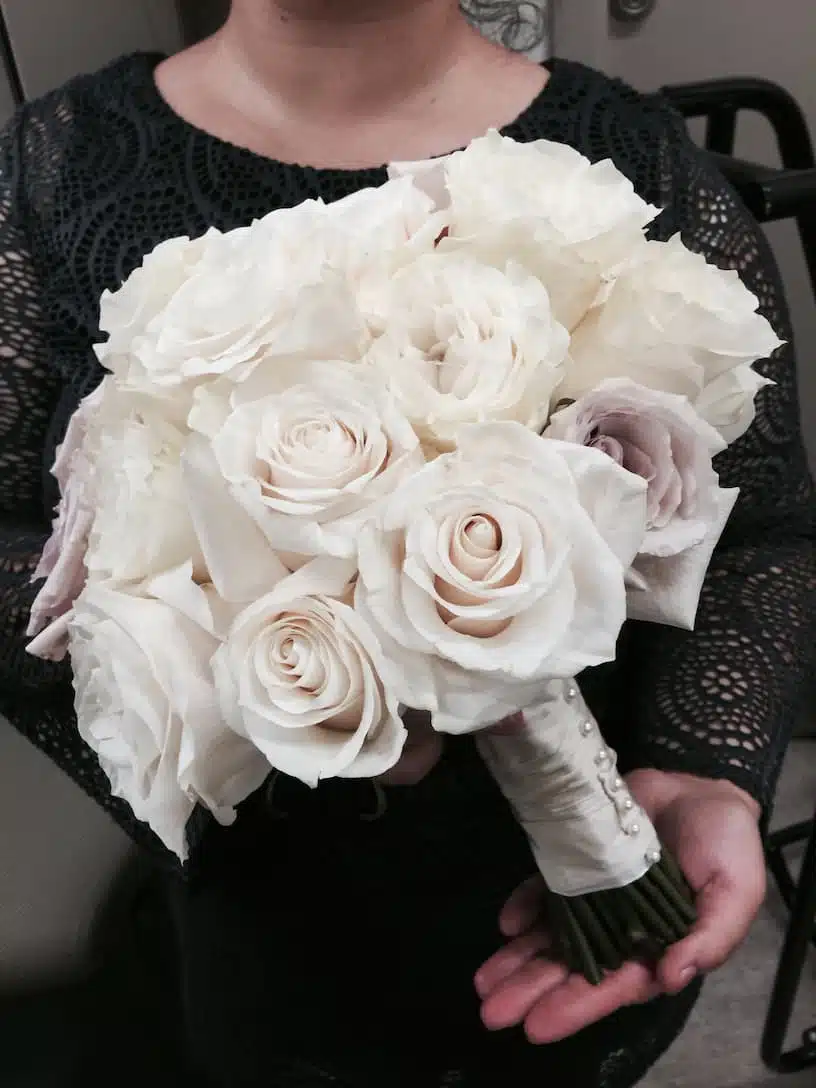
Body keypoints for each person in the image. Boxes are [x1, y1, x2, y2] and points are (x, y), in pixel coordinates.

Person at [0, 1, 813, 1085]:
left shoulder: (625, 168)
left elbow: (759, 530)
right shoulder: (59, 170)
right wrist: (220, 667)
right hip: (261, 922)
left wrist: (704, 763)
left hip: (581, 886)